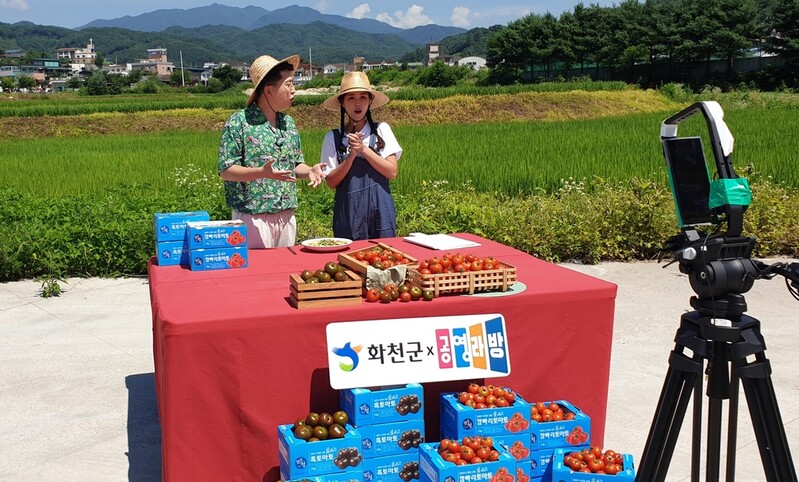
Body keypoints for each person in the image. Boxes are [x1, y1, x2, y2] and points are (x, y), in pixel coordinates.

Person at [217, 54, 325, 248]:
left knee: (284, 266)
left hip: (286, 216)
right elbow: (226, 170)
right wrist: (261, 172)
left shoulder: (288, 123)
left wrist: (309, 170)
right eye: (288, 84)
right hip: (252, 218)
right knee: (256, 268)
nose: (294, 90)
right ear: (268, 90)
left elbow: (294, 165)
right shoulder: (239, 122)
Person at [320, 72, 402, 240]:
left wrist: (364, 150)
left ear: (370, 101)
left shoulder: (381, 130)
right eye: (351, 98)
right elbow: (331, 181)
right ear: (342, 102)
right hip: (348, 213)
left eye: (363, 97)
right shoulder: (333, 138)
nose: (357, 103)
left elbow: (392, 171)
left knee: (384, 253)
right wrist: (351, 156)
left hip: (381, 211)